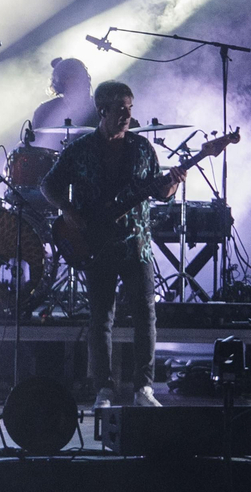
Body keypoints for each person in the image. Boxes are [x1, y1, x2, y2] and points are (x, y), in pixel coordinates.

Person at [41, 79, 182, 409]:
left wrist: (171, 188)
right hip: (95, 244)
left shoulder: (142, 149)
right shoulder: (80, 150)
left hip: (137, 244)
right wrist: (69, 212)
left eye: (130, 109)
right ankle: (103, 388)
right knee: (100, 318)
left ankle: (143, 388)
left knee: (145, 315)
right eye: (120, 109)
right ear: (102, 110)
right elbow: (49, 185)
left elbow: (156, 192)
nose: (127, 116)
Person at [30, 58, 98, 149]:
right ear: (60, 84)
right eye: (73, 78)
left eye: (81, 78)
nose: (79, 82)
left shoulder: (100, 109)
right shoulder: (44, 111)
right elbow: (35, 147)